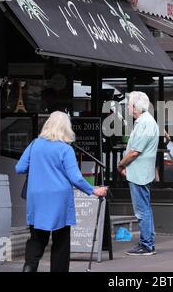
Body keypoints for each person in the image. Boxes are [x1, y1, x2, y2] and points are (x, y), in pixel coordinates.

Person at [15, 111, 107, 272]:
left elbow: (20, 168)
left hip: (37, 197)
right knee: (61, 240)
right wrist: (93, 190)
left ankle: (29, 267)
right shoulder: (65, 149)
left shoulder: (35, 144)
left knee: (37, 237)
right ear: (66, 128)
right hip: (59, 198)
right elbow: (75, 178)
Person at [117, 91, 159, 256]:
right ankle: (148, 243)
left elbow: (135, 151)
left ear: (135, 106)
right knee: (144, 209)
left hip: (140, 173)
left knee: (142, 210)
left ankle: (146, 244)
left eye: (129, 104)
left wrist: (121, 164)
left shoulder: (145, 123)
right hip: (140, 172)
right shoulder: (145, 121)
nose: (127, 106)